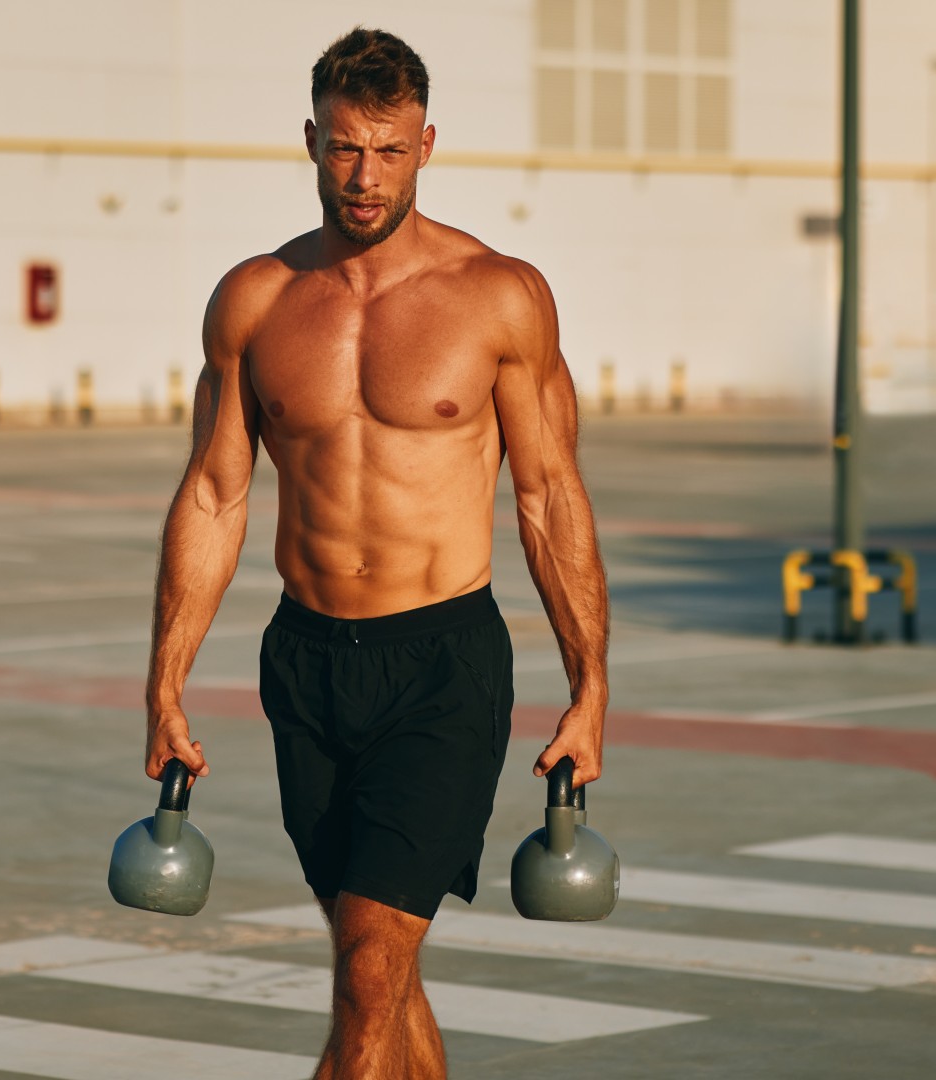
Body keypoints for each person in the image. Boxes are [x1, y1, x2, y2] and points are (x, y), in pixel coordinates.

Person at [143, 26, 609, 1080]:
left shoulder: (499, 296)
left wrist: (591, 687)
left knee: (367, 968)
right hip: (306, 664)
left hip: (441, 665)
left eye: (389, 151)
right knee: (379, 969)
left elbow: (549, 500)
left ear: (427, 145)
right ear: (310, 140)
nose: (365, 177)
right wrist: (164, 683)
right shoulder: (255, 300)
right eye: (347, 148)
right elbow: (215, 494)